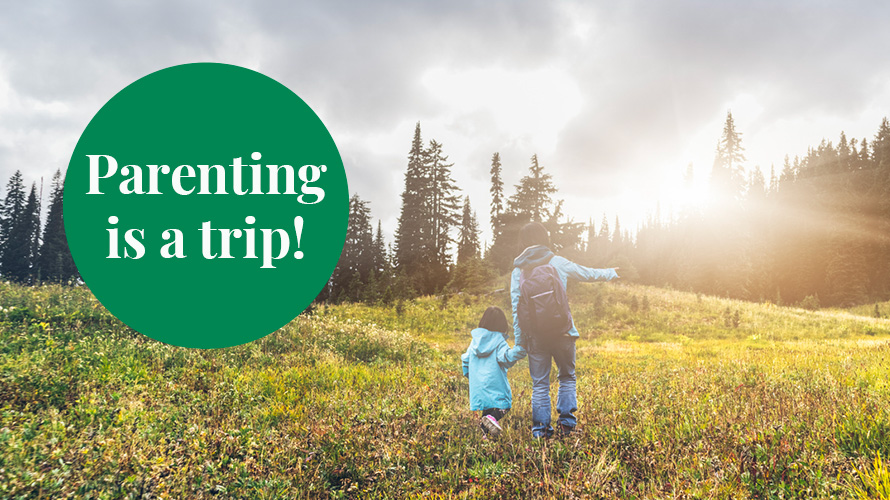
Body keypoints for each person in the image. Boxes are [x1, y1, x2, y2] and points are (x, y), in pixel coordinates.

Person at [511, 222, 618, 438]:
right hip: (563, 332)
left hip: (536, 337)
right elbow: (586, 273)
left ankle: (540, 431)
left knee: (540, 383)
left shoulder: (518, 271)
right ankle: (566, 426)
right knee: (567, 377)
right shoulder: (557, 262)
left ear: (523, 242)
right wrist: (611, 273)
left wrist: (521, 341)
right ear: (545, 238)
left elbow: (516, 308)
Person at [461, 306, 527, 437]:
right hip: (495, 383)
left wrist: (470, 376)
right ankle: (491, 419)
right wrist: (521, 349)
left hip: (478, 385)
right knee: (504, 406)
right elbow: (507, 357)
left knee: (487, 409)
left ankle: (485, 435)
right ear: (502, 324)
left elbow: (465, 360)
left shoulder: (474, 341)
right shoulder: (499, 342)